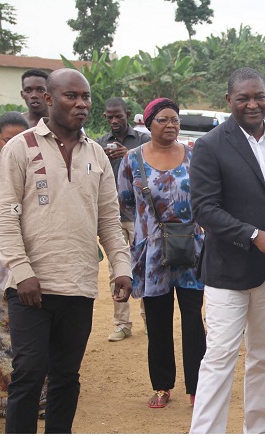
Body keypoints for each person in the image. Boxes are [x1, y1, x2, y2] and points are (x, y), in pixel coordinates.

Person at [0, 68, 132, 434]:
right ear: (49, 99)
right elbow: (5, 217)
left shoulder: (97, 154)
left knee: (66, 376)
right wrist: (22, 271)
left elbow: (108, 219)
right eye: (72, 96)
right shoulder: (19, 147)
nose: (81, 103)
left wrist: (121, 266)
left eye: (86, 97)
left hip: (79, 285)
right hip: (30, 288)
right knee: (28, 373)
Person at [189, 67, 265, 434]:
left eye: (259, 96)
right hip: (228, 271)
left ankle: (258, 429)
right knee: (219, 357)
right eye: (243, 98)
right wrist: (255, 235)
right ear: (229, 100)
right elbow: (204, 209)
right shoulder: (210, 145)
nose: (253, 104)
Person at [117, 97, 206, 409]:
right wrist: (150, 227)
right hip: (152, 253)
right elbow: (125, 202)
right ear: (148, 123)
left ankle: (197, 387)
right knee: (157, 321)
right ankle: (162, 386)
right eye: (163, 119)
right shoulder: (132, 160)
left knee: (193, 319)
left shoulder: (194, 154)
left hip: (191, 248)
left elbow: (207, 195)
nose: (171, 125)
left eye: (175, 119)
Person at [96, 97, 151, 342]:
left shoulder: (143, 141)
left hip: (140, 215)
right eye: (110, 117)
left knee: (145, 267)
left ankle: (149, 320)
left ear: (127, 114)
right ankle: (122, 324)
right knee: (116, 271)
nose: (114, 120)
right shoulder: (99, 144)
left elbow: (155, 165)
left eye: (118, 115)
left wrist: (129, 155)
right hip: (113, 217)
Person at [0, 112, 31, 418]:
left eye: (21, 139)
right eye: (8, 140)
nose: (14, 145)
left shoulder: (36, 170)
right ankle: (0, 398)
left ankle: (32, 397)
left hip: (24, 265)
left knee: (25, 338)